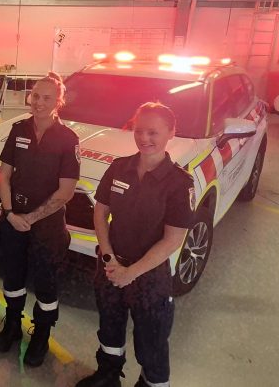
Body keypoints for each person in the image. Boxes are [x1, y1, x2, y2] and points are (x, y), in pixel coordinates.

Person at [76, 103, 194, 387]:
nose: (144, 138)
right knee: (109, 325)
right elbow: (100, 211)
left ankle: (152, 382)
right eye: (139, 130)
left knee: (151, 339)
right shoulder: (119, 168)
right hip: (111, 266)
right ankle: (109, 372)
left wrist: (132, 272)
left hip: (150, 276)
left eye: (153, 132)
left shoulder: (179, 183)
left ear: (171, 133)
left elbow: (173, 239)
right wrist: (108, 258)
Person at [0, 72, 80, 367]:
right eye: (36, 96)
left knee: (46, 282)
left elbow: (65, 192)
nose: (39, 103)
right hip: (14, 219)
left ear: (59, 102)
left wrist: (31, 217)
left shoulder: (68, 140)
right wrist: (10, 214)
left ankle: (41, 332)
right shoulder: (18, 130)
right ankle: (12, 324)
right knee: (13, 277)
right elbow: (4, 176)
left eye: (47, 98)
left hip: (48, 226)